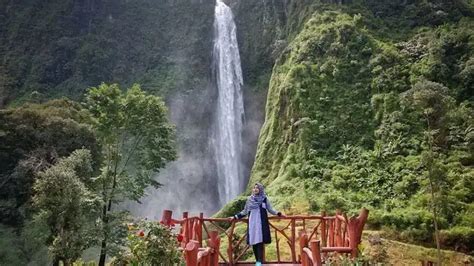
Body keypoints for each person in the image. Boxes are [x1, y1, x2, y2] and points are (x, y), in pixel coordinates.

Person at [230, 183, 283, 266]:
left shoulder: (264, 199)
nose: (255, 189)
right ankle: (257, 261)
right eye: (254, 188)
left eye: (257, 188)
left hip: (261, 223)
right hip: (252, 223)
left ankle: (259, 262)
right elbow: (244, 211)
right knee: (254, 241)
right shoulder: (249, 200)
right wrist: (235, 217)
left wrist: (278, 213)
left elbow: (270, 209)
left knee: (260, 241)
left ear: (260, 189)